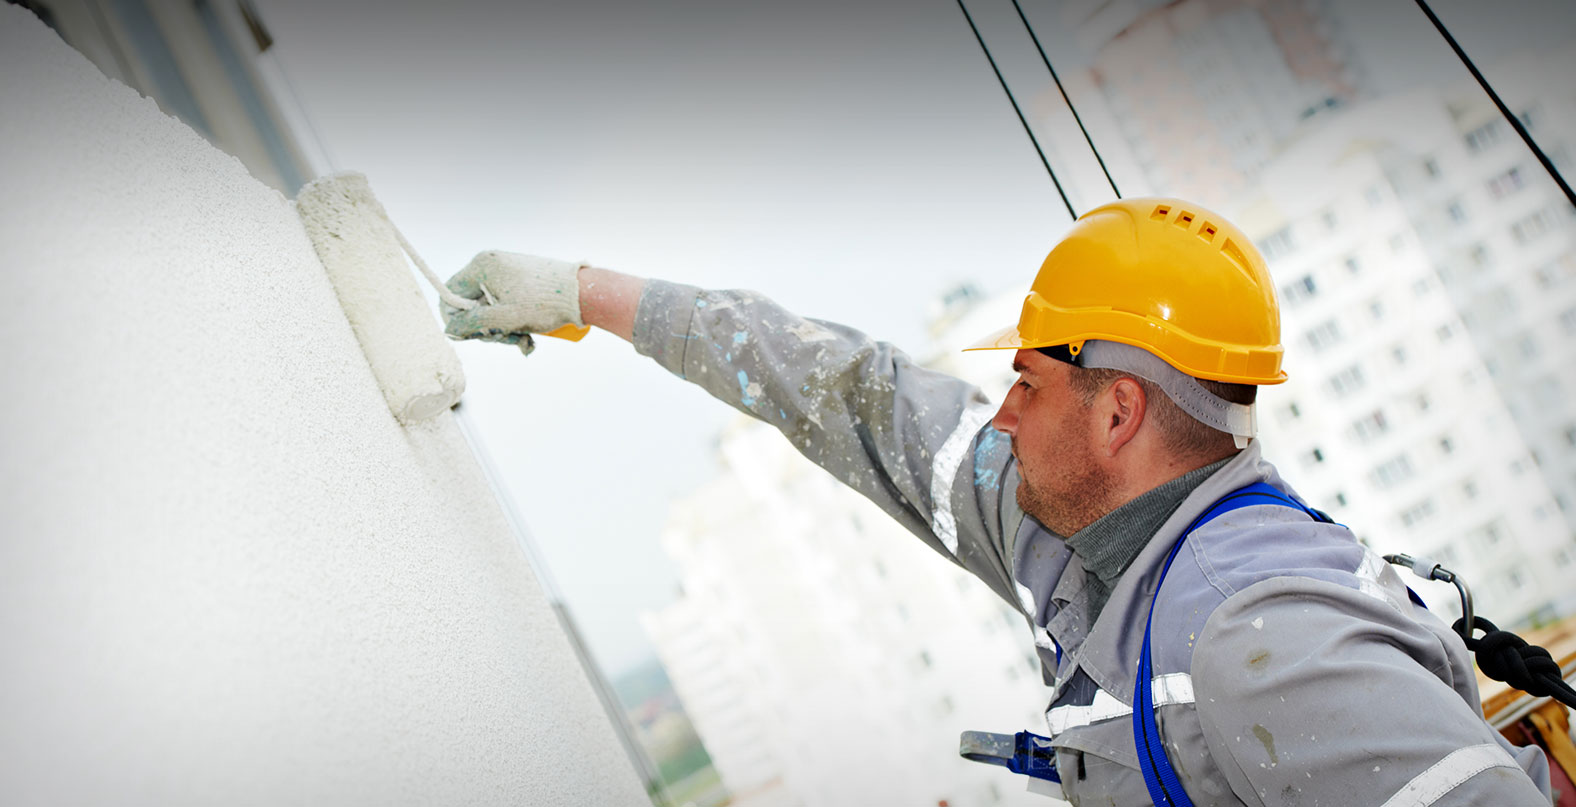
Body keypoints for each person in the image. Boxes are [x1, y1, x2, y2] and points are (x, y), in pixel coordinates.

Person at [443, 197, 1553, 805]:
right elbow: (855, 400)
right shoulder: (1063, 533)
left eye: (1023, 383)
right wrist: (582, 295)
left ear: (1117, 411)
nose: (1001, 417)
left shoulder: (1261, 628)